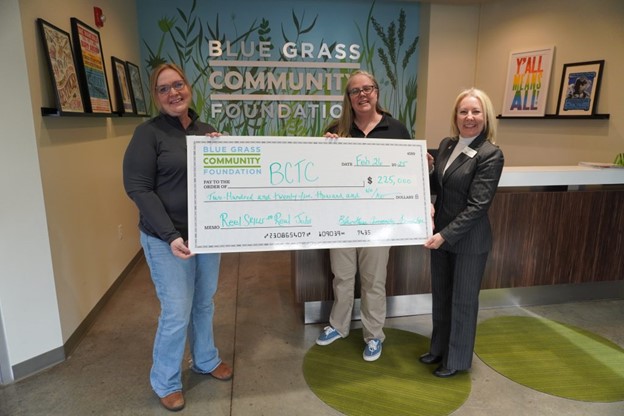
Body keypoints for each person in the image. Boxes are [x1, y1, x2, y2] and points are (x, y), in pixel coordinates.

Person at [122, 63, 232, 411]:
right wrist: (170, 235)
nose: (174, 93)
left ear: (189, 88)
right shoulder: (148, 134)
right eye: (164, 88)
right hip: (165, 239)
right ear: (156, 97)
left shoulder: (207, 131)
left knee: (204, 301)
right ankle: (166, 380)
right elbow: (137, 187)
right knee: (176, 310)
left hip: (206, 237)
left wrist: (223, 153)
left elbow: (222, 183)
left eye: (178, 85)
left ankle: (205, 359)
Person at [315, 70, 412, 362]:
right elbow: (321, 175)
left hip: (379, 223)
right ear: (348, 99)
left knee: (373, 280)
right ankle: (338, 325)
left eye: (367, 88)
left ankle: (373, 335)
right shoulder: (337, 130)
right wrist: (323, 150)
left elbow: (407, 174)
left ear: (377, 92)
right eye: (355, 91)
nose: (362, 95)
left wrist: (424, 166)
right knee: (342, 277)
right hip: (342, 219)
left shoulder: (396, 129)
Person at [420, 88, 504, 377]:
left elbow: (478, 205)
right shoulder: (446, 144)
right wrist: (430, 170)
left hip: (468, 240)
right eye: (463, 111)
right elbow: (438, 189)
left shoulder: (490, 154)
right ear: (455, 116)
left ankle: (455, 360)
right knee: (442, 296)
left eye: (476, 111)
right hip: (441, 236)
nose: (469, 117)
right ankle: (438, 349)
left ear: (486, 116)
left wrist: (444, 235)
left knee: (463, 301)